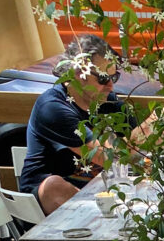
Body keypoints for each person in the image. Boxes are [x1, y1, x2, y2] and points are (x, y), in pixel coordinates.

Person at [17, 35, 150, 215]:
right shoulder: (53, 108)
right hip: (48, 204)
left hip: (98, 196)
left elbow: (140, 155)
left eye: (114, 77)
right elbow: (110, 157)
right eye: (103, 78)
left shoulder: (109, 103)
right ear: (78, 74)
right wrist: (154, 124)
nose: (111, 86)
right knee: (53, 186)